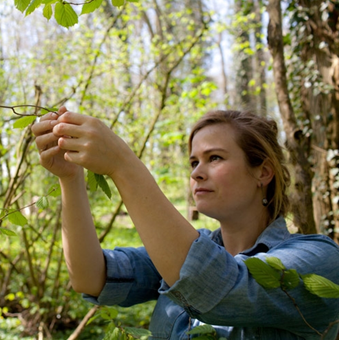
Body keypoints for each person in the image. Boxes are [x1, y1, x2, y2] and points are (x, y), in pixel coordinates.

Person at [32, 107, 339, 339]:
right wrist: (70, 178)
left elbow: (218, 287)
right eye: (194, 162)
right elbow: (90, 276)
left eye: (215, 158)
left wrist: (123, 165)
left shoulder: (319, 259)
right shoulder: (182, 250)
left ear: (263, 173)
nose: (197, 173)